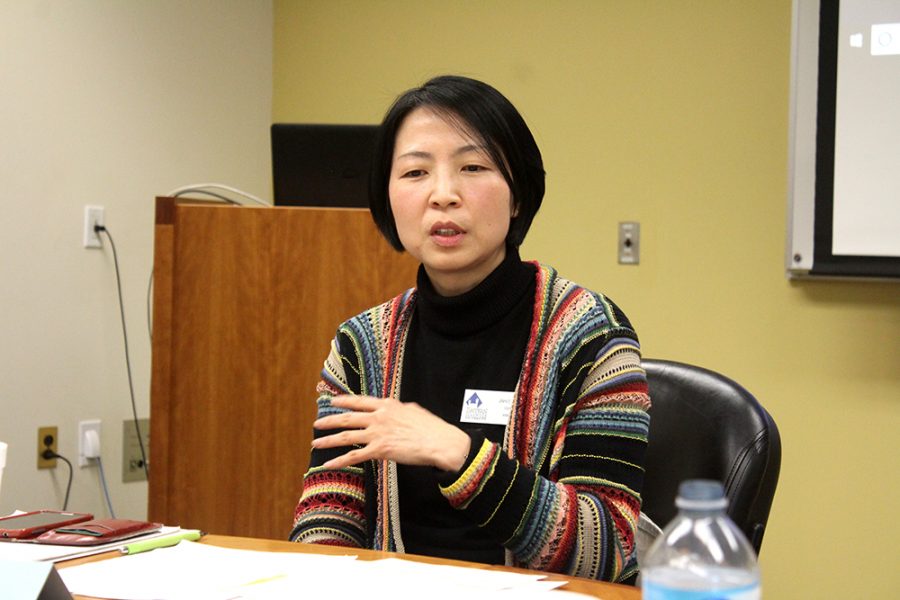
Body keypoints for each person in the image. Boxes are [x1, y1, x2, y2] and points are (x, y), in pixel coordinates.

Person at [290, 75, 651, 584]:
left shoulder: (592, 337)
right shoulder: (360, 348)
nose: (443, 195)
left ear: (518, 195)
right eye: (415, 171)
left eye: (473, 167)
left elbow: (607, 549)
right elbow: (326, 522)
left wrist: (457, 454)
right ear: (388, 199)